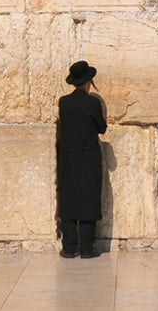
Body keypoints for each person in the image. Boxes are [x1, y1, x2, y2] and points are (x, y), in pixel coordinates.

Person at [57, 60, 107, 259]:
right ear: (88, 82)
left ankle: (69, 247)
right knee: (88, 198)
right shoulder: (92, 103)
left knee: (69, 199)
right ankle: (86, 248)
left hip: (68, 157)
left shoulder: (64, 102)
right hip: (88, 158)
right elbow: (101, 128)